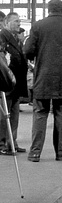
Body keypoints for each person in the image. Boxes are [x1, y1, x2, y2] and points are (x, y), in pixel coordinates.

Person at [23, 0, 62, 162]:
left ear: (48, 9)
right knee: (61, 114)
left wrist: (35, 55)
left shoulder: (38, 26)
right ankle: (61, 153)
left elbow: (28, 50)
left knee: (40, 114)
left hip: (43, 76)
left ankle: (35, 152)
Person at [0, 12, 28, 155]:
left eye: (19, 21)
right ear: (7, 22)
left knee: (14, 114)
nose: (19, 24)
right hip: (8, 84)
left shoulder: (16, 39)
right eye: (16, 21)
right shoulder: (2, 37)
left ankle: (12, 142)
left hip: (16, 84)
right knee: (6, 115)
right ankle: (3, 143)